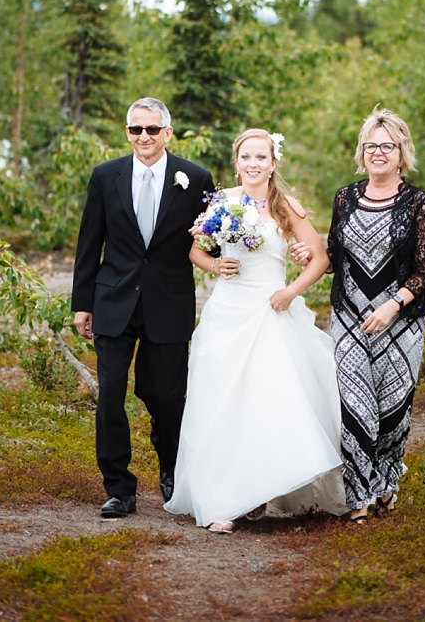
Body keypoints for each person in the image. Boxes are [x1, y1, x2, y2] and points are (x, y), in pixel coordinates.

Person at [165, 129, 346, 534]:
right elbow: (196, 248)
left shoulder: (288, 208)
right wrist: (213, 266)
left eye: (261, 157)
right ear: (237, 162)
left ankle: (257, 490)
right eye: (246, 157)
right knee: (219, 403)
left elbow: (319, 259)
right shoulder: (222, 202)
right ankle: (220, 502)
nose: (253, 164)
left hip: (271, 311)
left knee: (264, 404)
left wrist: (291, 291)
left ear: (273, 163)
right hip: (228, 313)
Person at [71, 97, 214, 518]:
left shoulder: (196, 176)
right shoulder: (105, 176)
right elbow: (89, 243)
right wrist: (82, 303)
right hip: (113, 300)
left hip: (168, 302)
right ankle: (119, 488)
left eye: (152, 130)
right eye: (136, 130)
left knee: (166, 398)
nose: (144, 137)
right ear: (127, 132)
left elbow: (213, 239)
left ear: (168, 133)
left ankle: (171, 471)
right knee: (110, 396)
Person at [327, 108, 425, 524]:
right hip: (349, 319)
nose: (378, 152)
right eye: (371, 145)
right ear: (361, 152)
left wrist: (392, 306)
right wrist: (306, 258)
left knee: (392, 412)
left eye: (386, 145)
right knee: (354, 407)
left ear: (401, 151)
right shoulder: (345, 198)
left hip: (401, 322)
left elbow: (423, 272)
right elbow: (334, 257)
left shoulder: (418, 204)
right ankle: (358, 497)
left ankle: (386, 485)